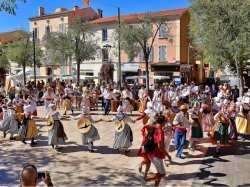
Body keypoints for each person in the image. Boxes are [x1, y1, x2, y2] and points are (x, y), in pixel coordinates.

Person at [141, 115, 171, 187]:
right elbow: (160, 146)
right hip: (156, 154)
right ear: (163, 122)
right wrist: (168, 155)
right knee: (162, 173)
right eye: (165, 121)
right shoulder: (159, 130)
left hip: (152, 153)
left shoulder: (154, 127)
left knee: (159, 173)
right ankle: (145, 179)